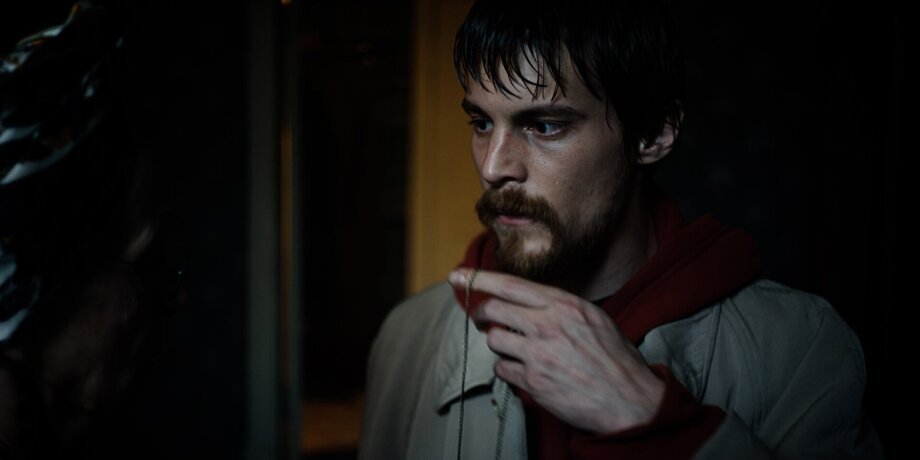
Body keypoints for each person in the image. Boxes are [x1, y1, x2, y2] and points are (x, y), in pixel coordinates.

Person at [359, 0, 883, 458]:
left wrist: (657, 425)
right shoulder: (408, 337)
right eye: (481, 123)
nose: (494, 166)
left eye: (545, 126)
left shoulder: (799, 349)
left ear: (653, 134)